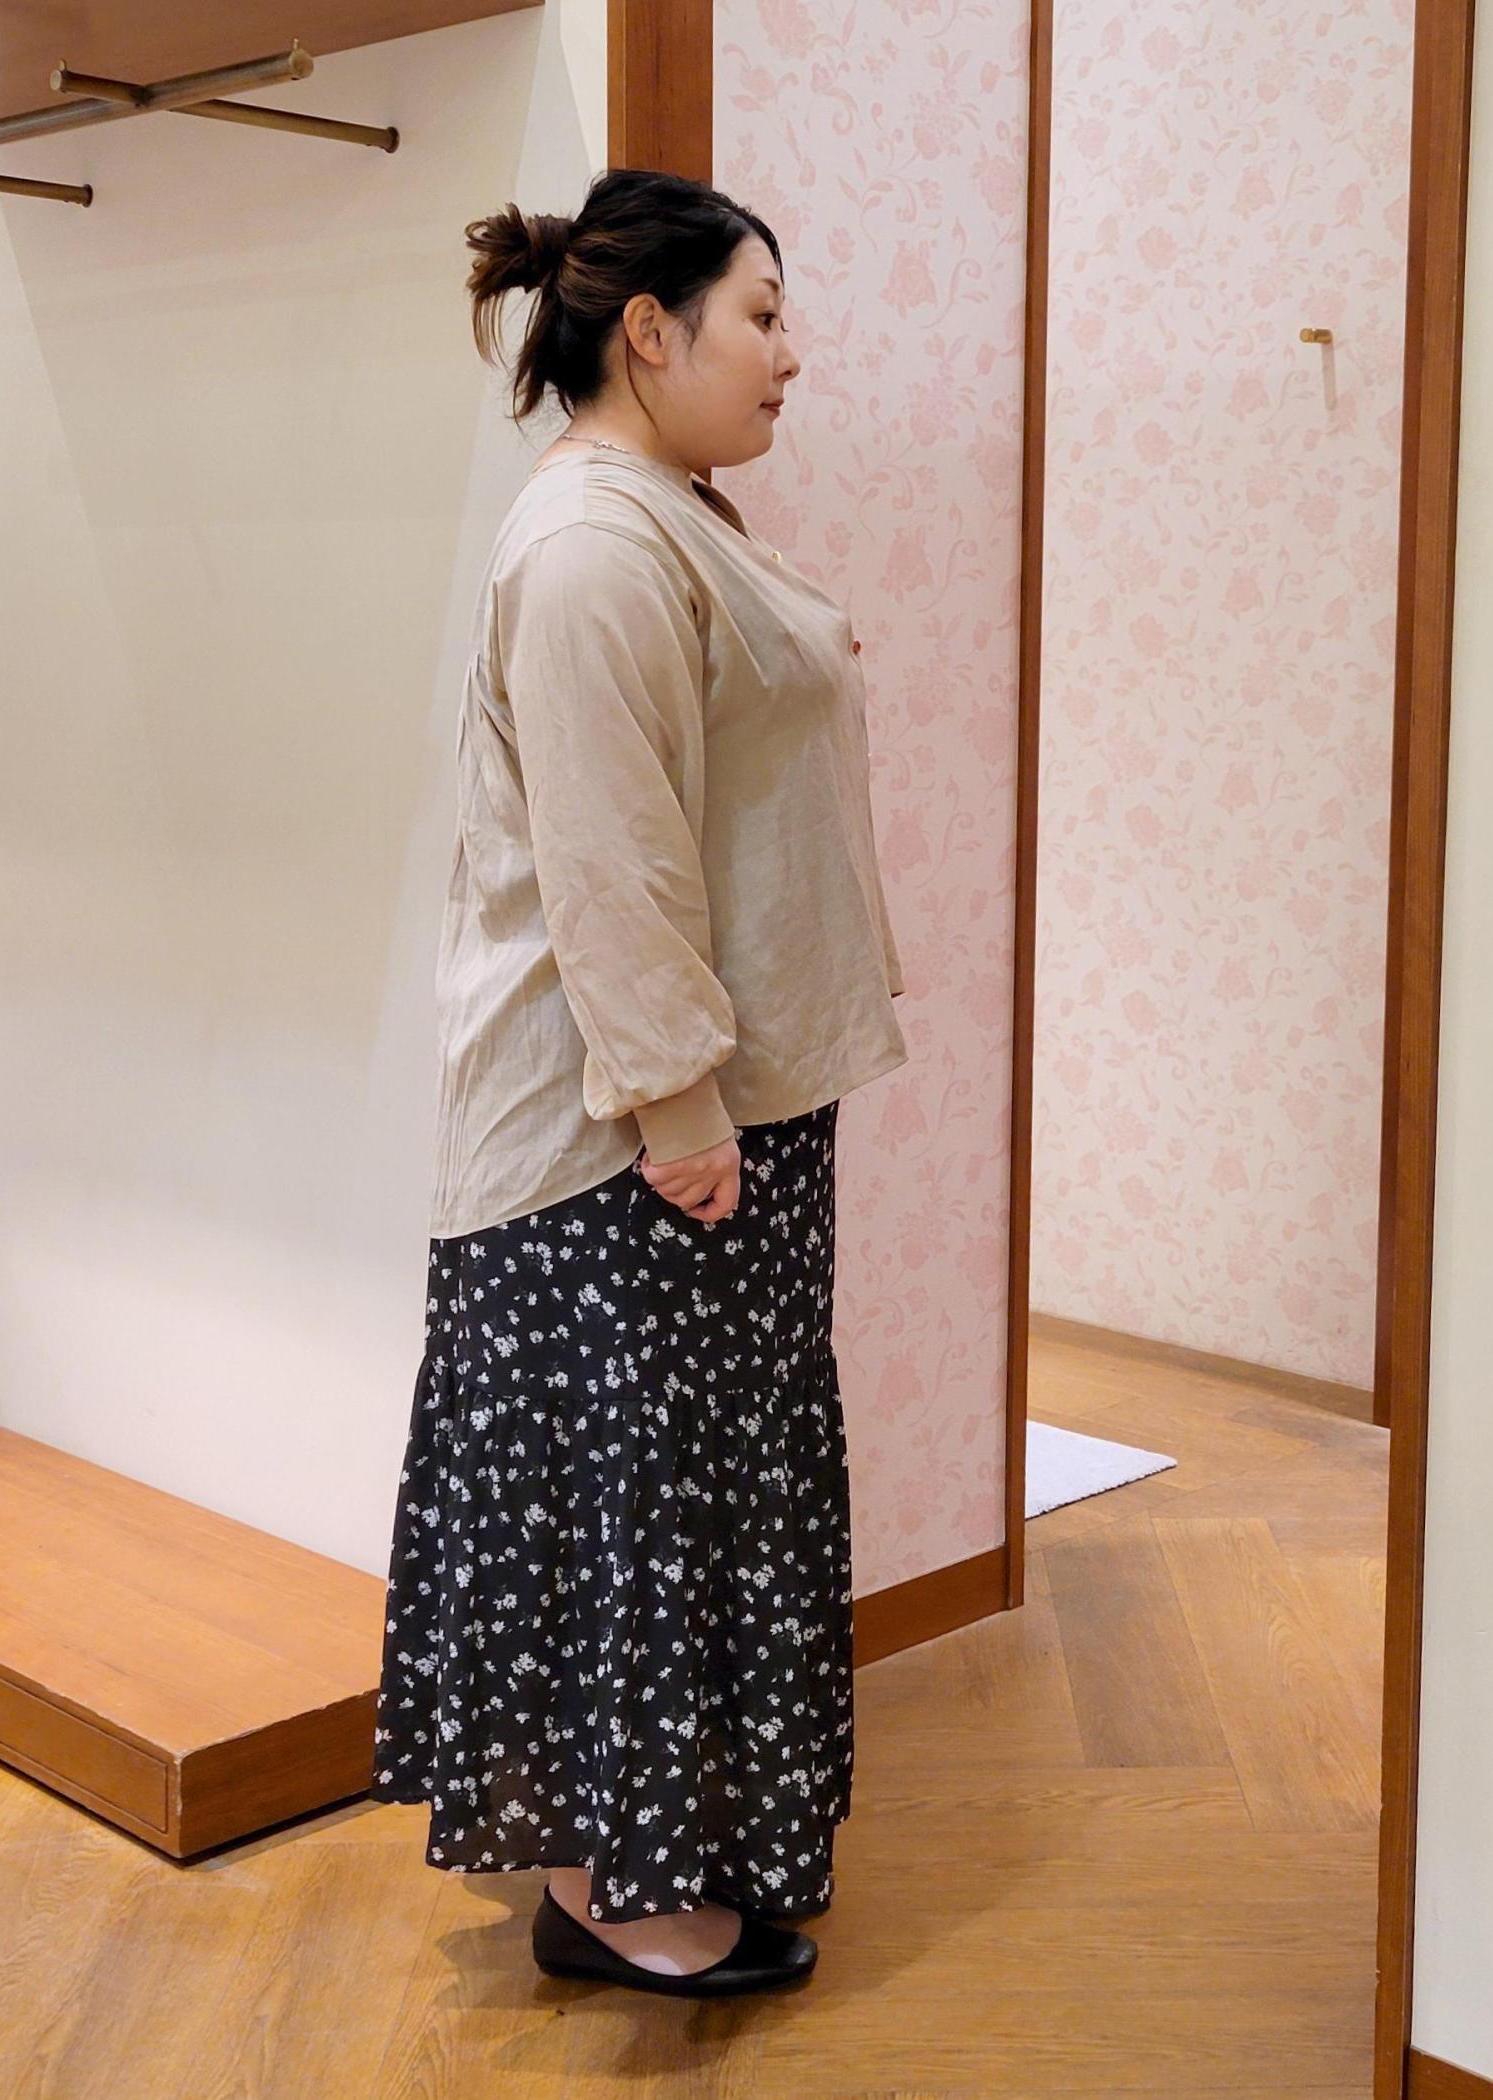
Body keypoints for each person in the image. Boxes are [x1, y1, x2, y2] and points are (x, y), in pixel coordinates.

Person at [371, 166, 909, 2000]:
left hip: (710, 1106)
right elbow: (610, 860)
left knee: (698, 1499)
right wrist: (681, 1106)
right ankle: (614, 1897)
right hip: (621, 1138)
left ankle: (673, 1853)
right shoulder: (595, 545)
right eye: (764, 313)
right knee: (637, 1515)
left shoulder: (667, 511)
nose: (791, 351)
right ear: (653, 332)